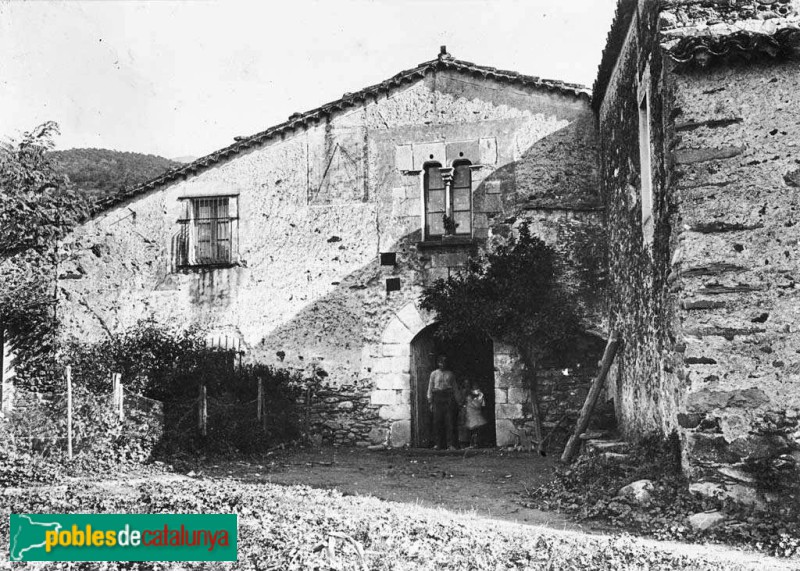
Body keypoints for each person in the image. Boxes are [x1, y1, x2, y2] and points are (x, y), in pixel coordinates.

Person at [427, 355, 457, 450]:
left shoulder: (450, 374)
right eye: (440, 362)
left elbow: (455, 388)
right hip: (437, 397)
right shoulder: (434, 374)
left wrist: (458, 400)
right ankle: (438, 444)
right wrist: (430, 401)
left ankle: (450, 444)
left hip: (448, 397)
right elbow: (430, 387)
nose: (442, 365)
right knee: (437, 421)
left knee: (449, 421)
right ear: (438, 363)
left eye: (444, 363)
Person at [464, 381, 488, 448]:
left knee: (476, 431)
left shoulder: (479, 395)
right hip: (471, 416)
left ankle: (476, 443)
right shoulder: (469, 396)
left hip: (476, 416)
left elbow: (481, 405)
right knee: (473, 431)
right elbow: (478, 405)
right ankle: (473, 444)